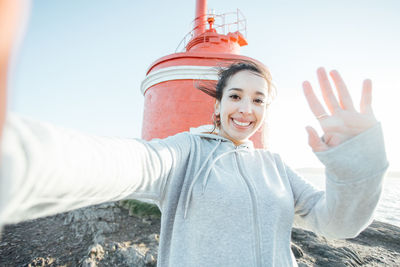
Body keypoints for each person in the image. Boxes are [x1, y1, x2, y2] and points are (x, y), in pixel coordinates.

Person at [0, 2, 389, 266]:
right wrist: (14, 157)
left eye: (258, 100)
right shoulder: (185, 152)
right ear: (217, 105)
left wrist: (355, 163)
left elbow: (338, 224)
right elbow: (123, 164)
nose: (246, 109)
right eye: (235, 96)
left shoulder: (275, 166)